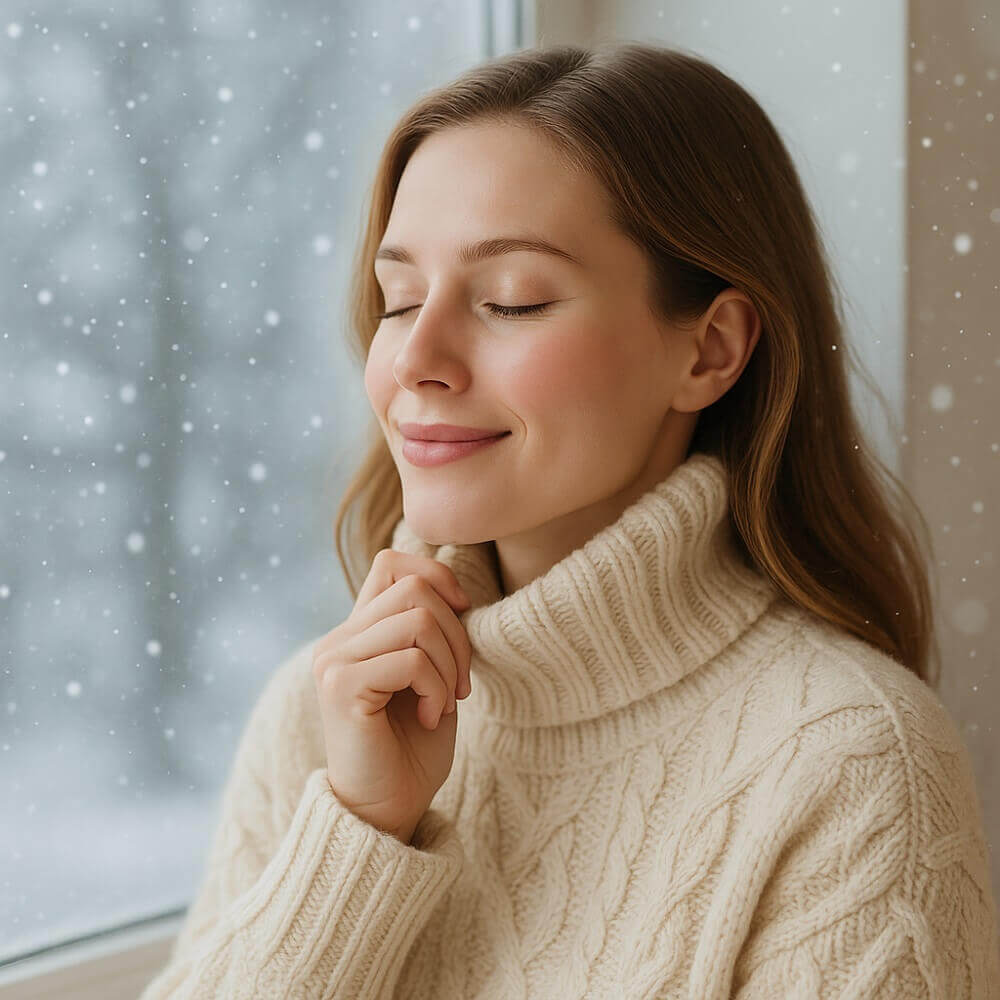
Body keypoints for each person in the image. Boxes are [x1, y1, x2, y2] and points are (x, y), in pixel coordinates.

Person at [140, 42, 1000, 998]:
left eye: (511, 301)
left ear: (710, 351)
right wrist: (355, 833)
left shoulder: (854, 763)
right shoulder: (323, 717)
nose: (416, 359)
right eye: (400, 300)